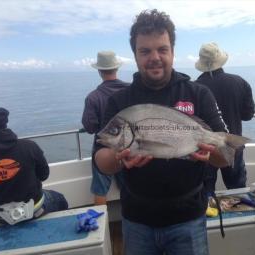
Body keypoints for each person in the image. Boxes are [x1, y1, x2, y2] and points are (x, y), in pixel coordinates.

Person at [94, 9, 229, 255]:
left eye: (162, 49)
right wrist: (118, 157)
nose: (154, 57)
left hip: (188, 218)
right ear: (135, 55)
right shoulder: (118, 102)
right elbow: (101, 159)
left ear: (172, 52)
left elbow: (224, 157)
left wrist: (211, 154)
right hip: (136, 221)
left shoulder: (198, 93)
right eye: (145, 51)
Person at [0, 107, 68, 225]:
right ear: (5, 123)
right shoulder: (29, 147)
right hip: (35, 210)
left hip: (1, 218)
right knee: (59, 198)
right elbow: (44, 175)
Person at [195, 42, 255, 192]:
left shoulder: (194, 88)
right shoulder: (240, 82)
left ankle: (209, 213)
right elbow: (248, 115)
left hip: (206, 149)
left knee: (206, 192)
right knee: (237, 189)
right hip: (233, 145)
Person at [82, 51, 129, 205]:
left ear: (99, 71)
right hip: (130, 147)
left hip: (104, 151)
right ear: (116, 69)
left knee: (100, 191)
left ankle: (102, 228)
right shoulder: (130, 91)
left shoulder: (93, 97)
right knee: (130, 188)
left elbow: (89, 127)